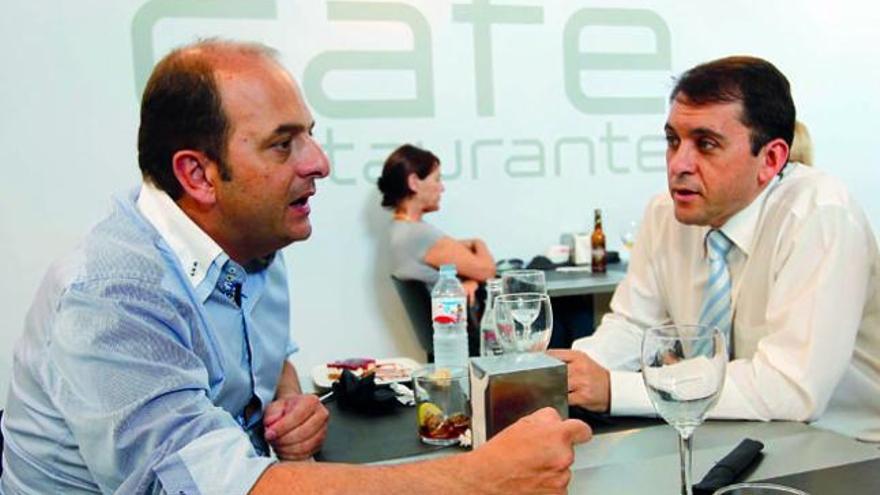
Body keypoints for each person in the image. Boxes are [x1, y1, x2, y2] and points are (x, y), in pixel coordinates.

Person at [0, 40, 590, 494]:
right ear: (197, 175)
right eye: (283, 144)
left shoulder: (251, 238)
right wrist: (477, 481)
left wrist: (289, 404)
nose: (320, 162)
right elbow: (205, 486)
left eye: (310, 135)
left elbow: (270, 352)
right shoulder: (110, 296)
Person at [549, 56, 880, 441]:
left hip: (839, 447)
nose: (678, 165)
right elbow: (634, 325)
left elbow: (789, 388)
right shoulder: (665, 213)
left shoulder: (820, 215)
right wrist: (572, 374)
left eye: (706, 145)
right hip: (718, 431)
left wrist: (614, 388)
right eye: (673, 140)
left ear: (770, 160)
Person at [377, 144, 496, 301]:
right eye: (437, 179)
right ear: (414, 182)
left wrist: (471, 280)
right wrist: (477, 241)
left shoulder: (399, 230)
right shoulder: (419, 235)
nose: (442, 188)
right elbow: (487, 271)